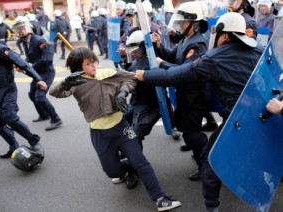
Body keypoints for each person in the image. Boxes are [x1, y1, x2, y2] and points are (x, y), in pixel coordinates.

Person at [135, 12, 263, 212]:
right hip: (264, 116)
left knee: (211, 159)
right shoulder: (259, 51)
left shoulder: (214, 57)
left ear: (225, 35)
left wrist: (146, 75)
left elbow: (176, 75)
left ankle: (212, 207)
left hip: (237, 121)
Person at [49, 47, 181, 212]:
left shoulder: (108, 73)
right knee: (112, 171)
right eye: (88, 64)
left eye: (94, 61)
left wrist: (123, 92)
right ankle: (128, 169)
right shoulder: (75, 83)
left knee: (140, 161)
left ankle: (160, 198)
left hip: (122, 127)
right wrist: (64, 82)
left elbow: (132, 78)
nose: (93, 66)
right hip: (99, 133)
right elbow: (54, 92)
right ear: (78, 67)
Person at [151, 1, 210, 181]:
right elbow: (173, 56)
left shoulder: (197, 45)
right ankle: (197, 151)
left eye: (183, 22)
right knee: (184, 125)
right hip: (185, 93)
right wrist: (159, 45)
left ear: (193, 23)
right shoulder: (186, 40)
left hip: (196, 95)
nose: (179, 25)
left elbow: (186, 70)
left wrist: (163, 64)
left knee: (193, 132)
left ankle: (206, 165)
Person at [0, 25, 46, 159]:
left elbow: (21, 63)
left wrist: (38, 79)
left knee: (10, 117)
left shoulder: (1, 50)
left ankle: (34, 141)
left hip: (8, 90)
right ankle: (13, 146)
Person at [12, 16, 63, 131]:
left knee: (40, 97)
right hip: (37, 73)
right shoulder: (25, 41)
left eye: (22, 28)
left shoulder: (40, 40)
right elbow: (30, 57)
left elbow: (47, 60)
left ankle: (56, 118)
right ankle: (44, 115)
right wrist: (22, 65)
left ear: (29, 27)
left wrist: (29, 67)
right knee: (32, 95)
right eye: (17, 29)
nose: (20, 31)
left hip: (46, 72)